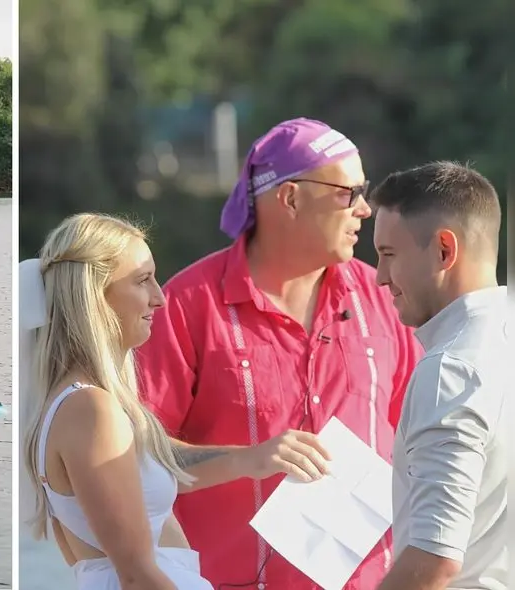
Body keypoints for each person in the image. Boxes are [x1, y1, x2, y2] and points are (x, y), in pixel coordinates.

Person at [134, 117, 426, 588]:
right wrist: (248, 458)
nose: (365, 209)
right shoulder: (187, 305)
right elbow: (139, 459)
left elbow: (422, 443)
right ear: (290, 198)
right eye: (347, 193)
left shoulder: (384, 299)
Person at [20, 212, 334, 590]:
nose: (160, 297)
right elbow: (137, 577)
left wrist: (251, 458)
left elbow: (157, 462)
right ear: (94, 296)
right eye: (142, 281)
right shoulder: (92, 411)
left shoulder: (79, 406)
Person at [367, 161, 507, 590]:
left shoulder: (452, 368)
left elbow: (434, 558)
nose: (379, 277)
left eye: (389, 255)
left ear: (445, 250)